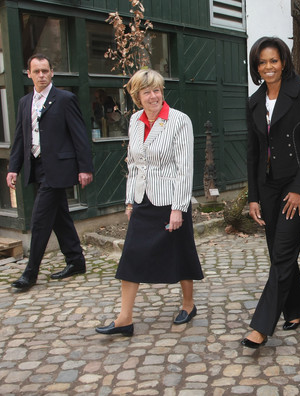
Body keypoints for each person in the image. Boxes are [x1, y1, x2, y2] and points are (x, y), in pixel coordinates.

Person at [96, 69, 203, 336]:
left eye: (157, 90)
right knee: (131, 255)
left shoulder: (179, 120)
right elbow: (134, 164)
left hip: (170, 202)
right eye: (147, 92)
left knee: (180, 251)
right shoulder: (134, 121)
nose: (154, 96)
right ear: (137, 97)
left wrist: (179, 208)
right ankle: (124, 318)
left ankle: (188, 304)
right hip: (143, 199)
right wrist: (130, 201)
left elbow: (184, 168)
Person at [242, 37, 300, 348]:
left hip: (296, 186)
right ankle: (298, 308)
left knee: (283, 252)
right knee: (280, 252)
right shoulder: (253, 102)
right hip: (268, 188)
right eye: (262, 62)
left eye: (273, 60)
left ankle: (261, 326)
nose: (268, 67)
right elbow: (252, 153)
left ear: (284, 61)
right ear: (256, 67)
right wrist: (253, 196)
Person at [7, 54, 93, 291]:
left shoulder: (65, 99)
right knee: (59, 216)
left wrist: (85, 168)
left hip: (59, 168)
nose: (42, 75)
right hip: (37, 166)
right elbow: (20, 138)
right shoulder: (25, 102)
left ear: (52, 72)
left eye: (46, 71)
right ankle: (76, 260)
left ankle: (30, 273)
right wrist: (13, 167)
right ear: (29, 74)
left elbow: (79, 135)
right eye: (37, 71)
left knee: (40, 219)